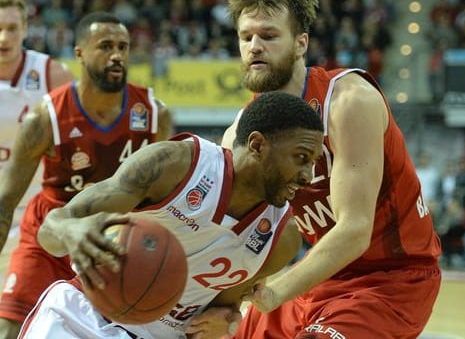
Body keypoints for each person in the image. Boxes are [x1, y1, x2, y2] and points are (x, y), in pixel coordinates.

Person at [218, 0, 442, 338]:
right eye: (246, 37)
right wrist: (221, 305)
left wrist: (274, 292)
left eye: (269, 36)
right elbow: (231, 226)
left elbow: (354, 231)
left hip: (393, 278)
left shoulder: (349, 101)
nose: (255, 47)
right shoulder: (243, 132)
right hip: (322, 273)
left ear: (301, 43)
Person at [18, 91, 324, 339]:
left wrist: (227, 321)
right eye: (301, 158)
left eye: (312, 162)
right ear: (257, 145)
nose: (308, 175)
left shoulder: (280, 238)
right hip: (80, 317)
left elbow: (216, 317)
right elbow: (51, 231)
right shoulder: (176, 165)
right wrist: (73, 231)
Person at [0, 11, 172, 338]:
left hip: (114, 239)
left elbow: (165, 198)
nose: (117, 55)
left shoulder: (152, 114)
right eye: (105, 46)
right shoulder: (45, 118)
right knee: (9, 328)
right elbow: (6, 200)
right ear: (80, 53)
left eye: (123, 46)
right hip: (50, 233)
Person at [0, 0, 74, 246]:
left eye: (12, 28)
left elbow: (81, 143)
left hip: (36, 217)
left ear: (25, 29)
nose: (4, 37)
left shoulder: (53, 75)